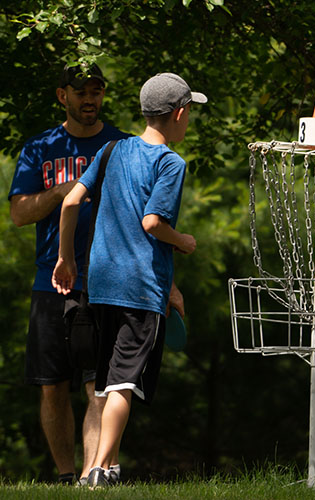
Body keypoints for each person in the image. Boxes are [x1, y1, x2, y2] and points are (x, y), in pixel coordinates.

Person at [51, 72, 205, 487]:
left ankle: (109, 466)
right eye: (190, 114)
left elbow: (70, 202)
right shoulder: (171, 162)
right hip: (140, 288)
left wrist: (66, 258)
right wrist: (184, 241)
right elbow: (153, 222)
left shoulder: (111, 148)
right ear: (179, 113)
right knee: (123, 383)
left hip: (100, 284)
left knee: (107, 380)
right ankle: (99, 470)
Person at [8, 62, 130, 485]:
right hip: (50, 282)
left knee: (97, 383)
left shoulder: (121, 146)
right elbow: (18, 214)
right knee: (51, 385)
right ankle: (63, 476)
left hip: (105, 282)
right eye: (82, 92)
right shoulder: (40, 148)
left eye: (96, 91)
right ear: (64, 95)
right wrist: (62, 192)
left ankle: (90, 474)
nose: (90, 99)